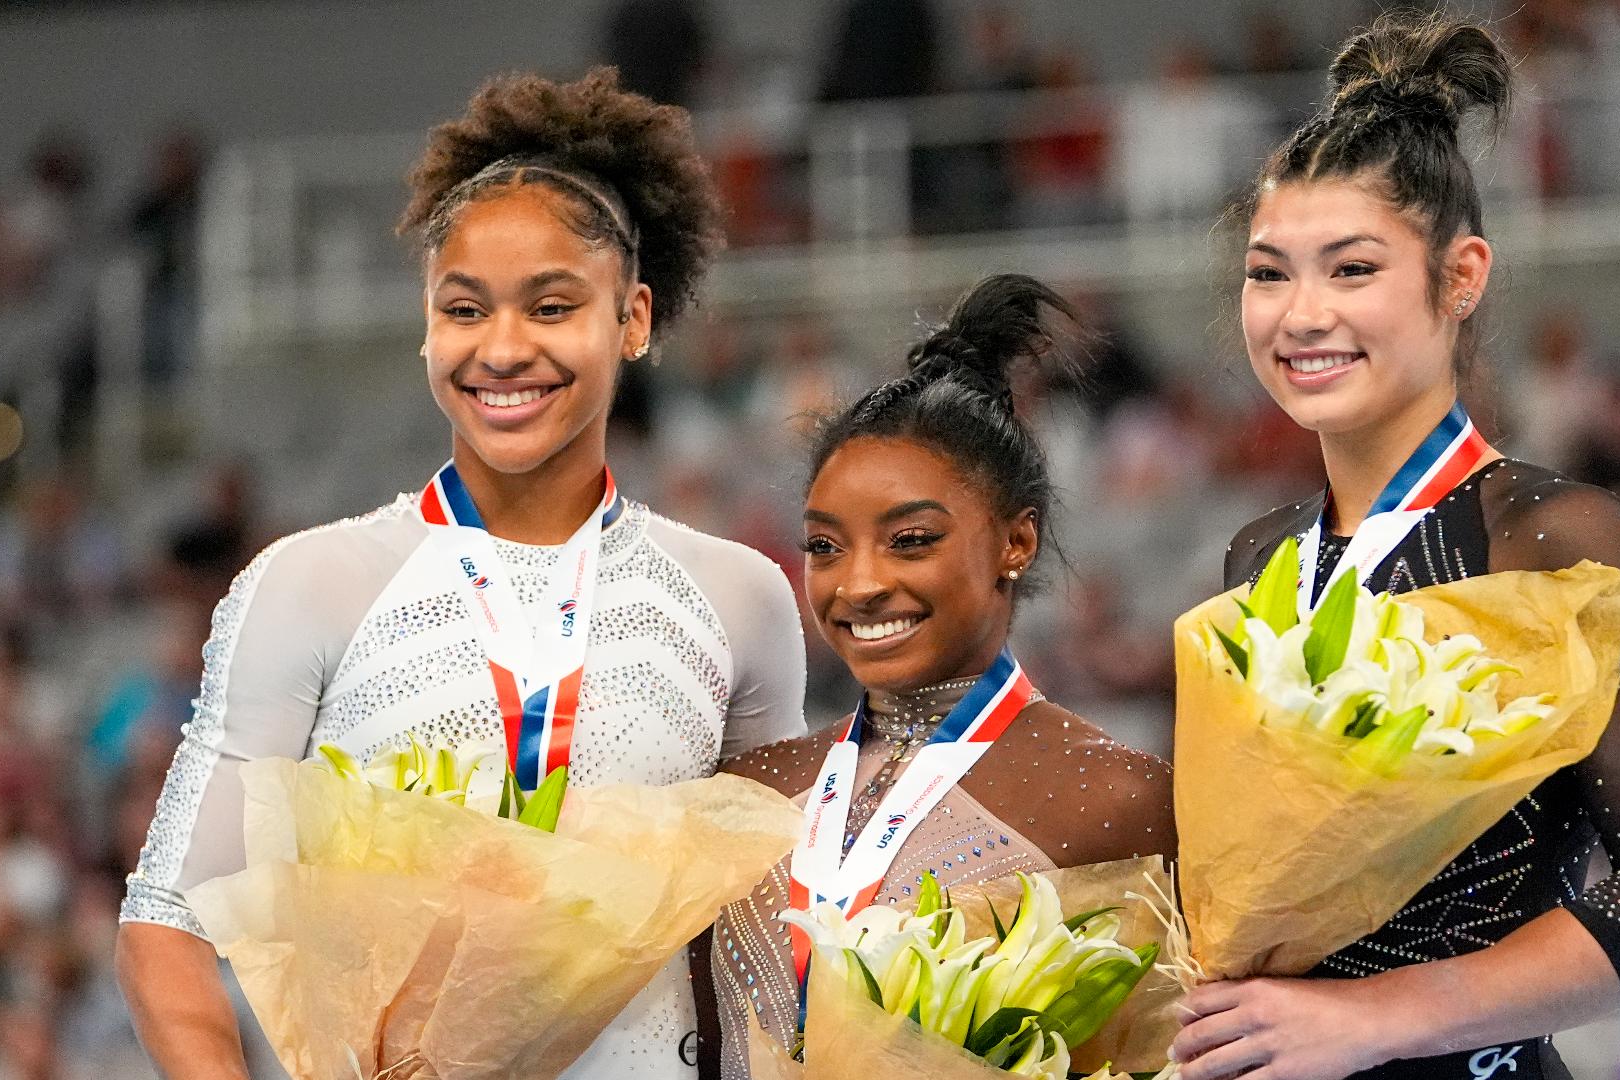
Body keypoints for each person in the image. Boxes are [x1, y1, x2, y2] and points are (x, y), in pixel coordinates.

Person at [115, 69, 807, 1080]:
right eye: (465, 308)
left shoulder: (738, 600)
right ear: (428, 327)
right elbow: (163, 925)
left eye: (553, 305)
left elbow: (763, 944)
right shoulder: (311, 585)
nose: (504, 348)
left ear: (635, 318)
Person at [1175, 15, 1620, 1080]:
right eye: (1268, 273)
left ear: (1460, 275)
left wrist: (1374, 1018)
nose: (1300, 316)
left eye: (1351, 270)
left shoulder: (1557, 540)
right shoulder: (1262, 557)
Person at [705, 275, 1177, 1077]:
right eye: (824, 546)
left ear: (1015, 543)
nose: (858, 584)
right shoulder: (748, 789)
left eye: (910, 540)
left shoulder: (1119, 797)